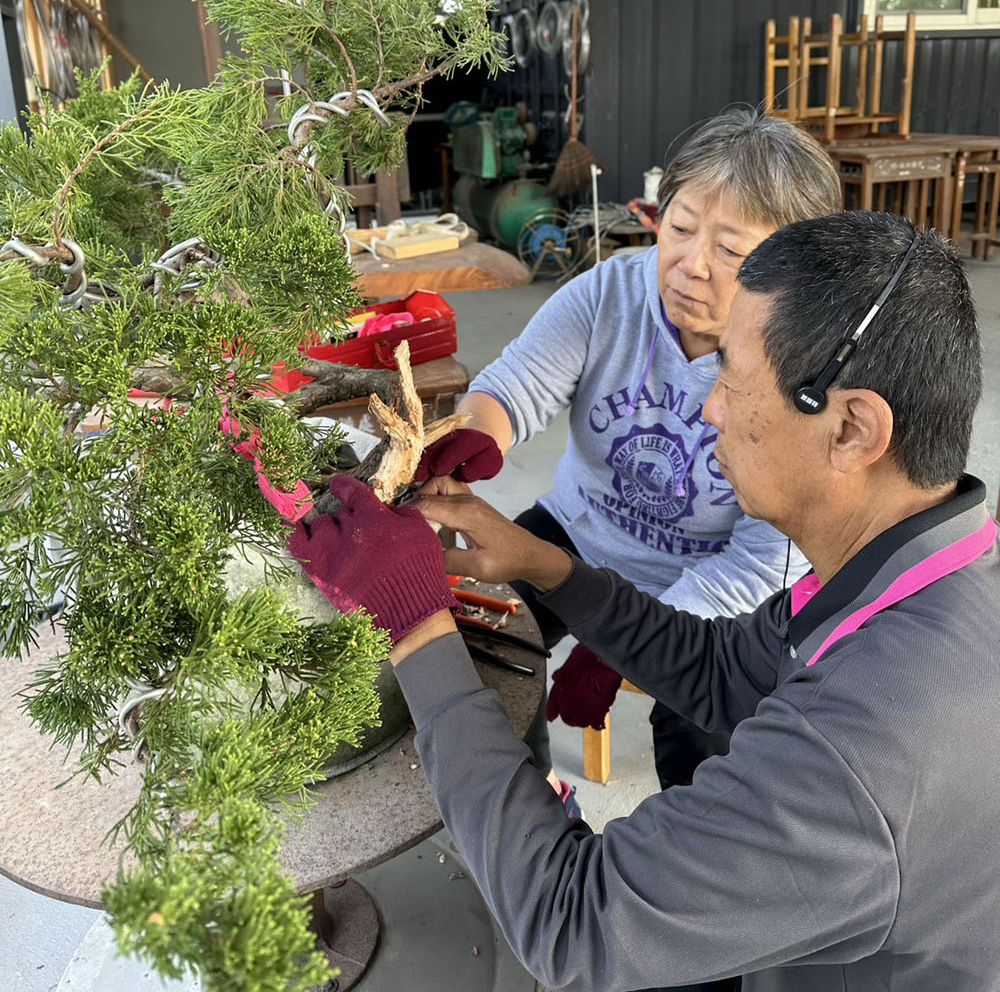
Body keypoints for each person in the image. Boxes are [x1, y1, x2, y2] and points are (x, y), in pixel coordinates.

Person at [288, 211, 1000, 991]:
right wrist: (552, 568)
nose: (708, 408)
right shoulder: (904, 570)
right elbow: (727, 668)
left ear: (853, 428)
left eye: (732, 376)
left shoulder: (870, 747)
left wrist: (418, 623)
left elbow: (570, 924)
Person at [418, 107, 842, 798]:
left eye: (732, 251)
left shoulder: (802, 367)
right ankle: (525, 800)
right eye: (678, 227)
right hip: (579, 533)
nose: (690, 265)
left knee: (712, 723)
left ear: (790, 266)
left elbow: (762, 560)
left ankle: (692, 859)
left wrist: (618, 643)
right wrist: (464, 441)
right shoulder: (610, 293)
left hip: (709, 583)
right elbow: (516, 385)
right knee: (475, 644)